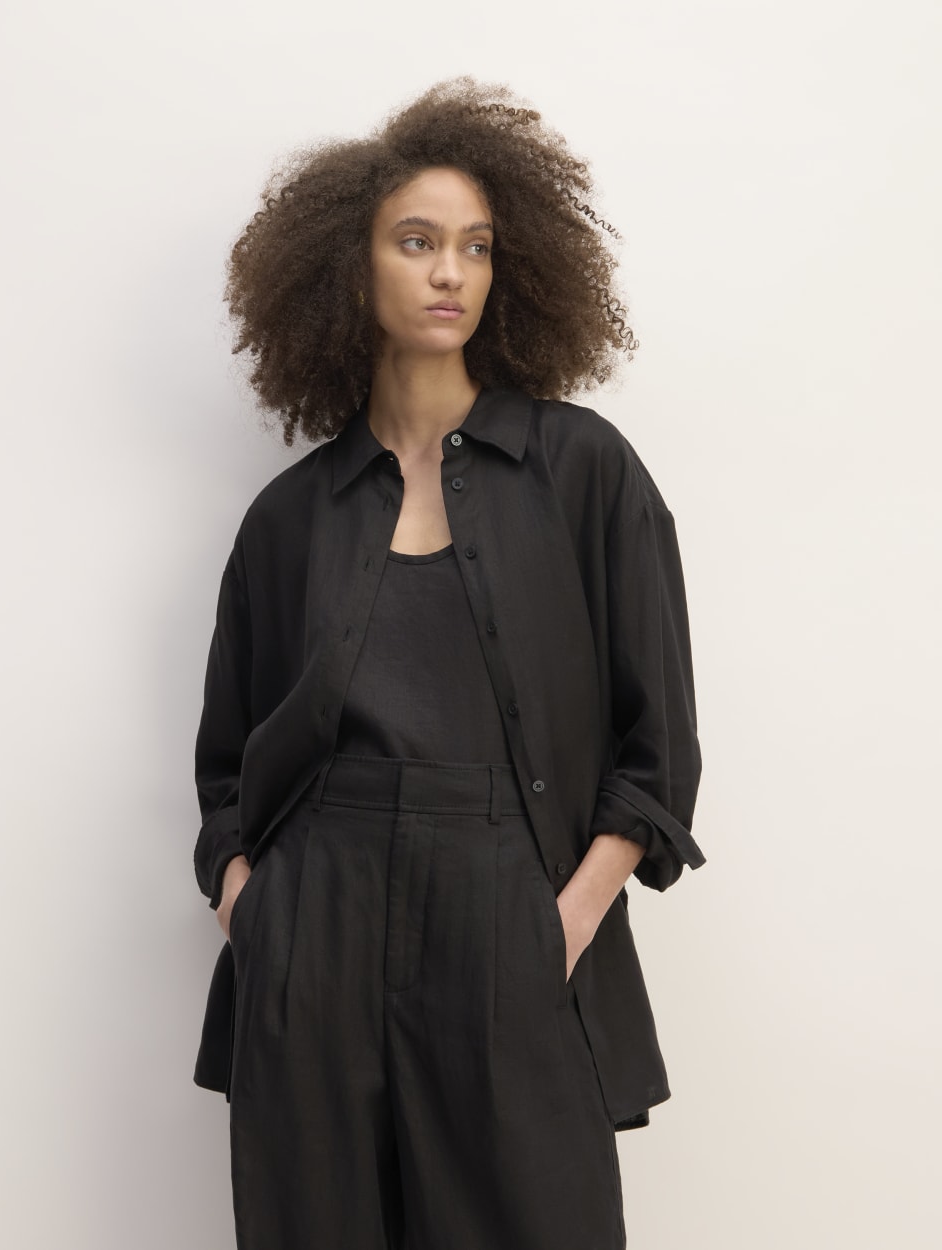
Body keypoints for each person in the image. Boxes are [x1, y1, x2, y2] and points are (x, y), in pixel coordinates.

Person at [191, 75, 706, 1250]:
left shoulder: (582, 471)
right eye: (416, 241)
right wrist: (253, 908)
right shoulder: (289, 517)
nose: (450, 273)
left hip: (507, 916)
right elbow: (226, 770)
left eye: (476, 246)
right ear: (348, 267)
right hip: (313, 926)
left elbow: (657, 750)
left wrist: (562, 920)